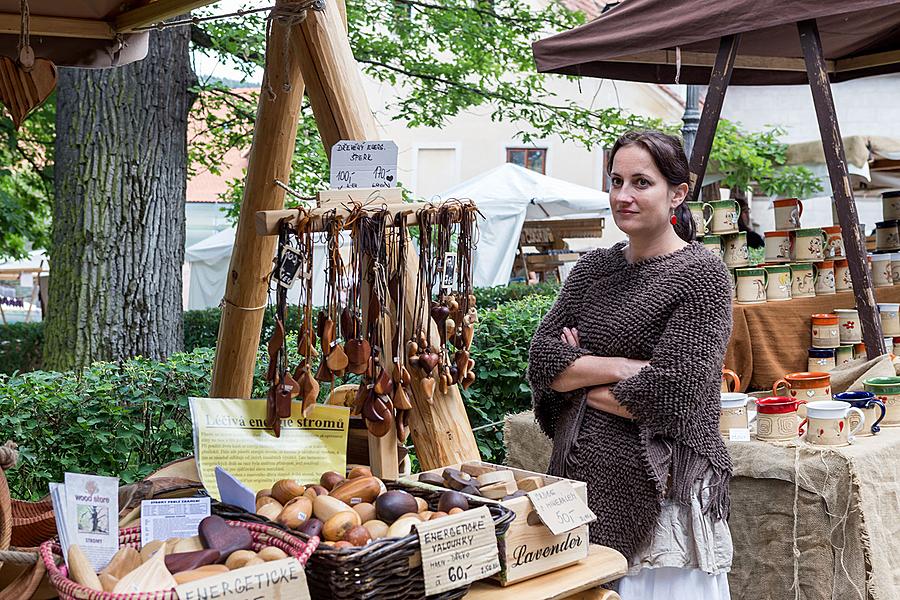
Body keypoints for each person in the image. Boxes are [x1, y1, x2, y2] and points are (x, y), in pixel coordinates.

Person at [527, 130, 733, 599]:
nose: (623, 196)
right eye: (616, 181)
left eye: (642, 182)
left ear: (677, 193)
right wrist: (623, 367)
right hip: (579, 482)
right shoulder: (592, 271)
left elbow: (673, 393)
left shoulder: (701, 275)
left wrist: (577, 377)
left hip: (664, 495)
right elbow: (542, 359)